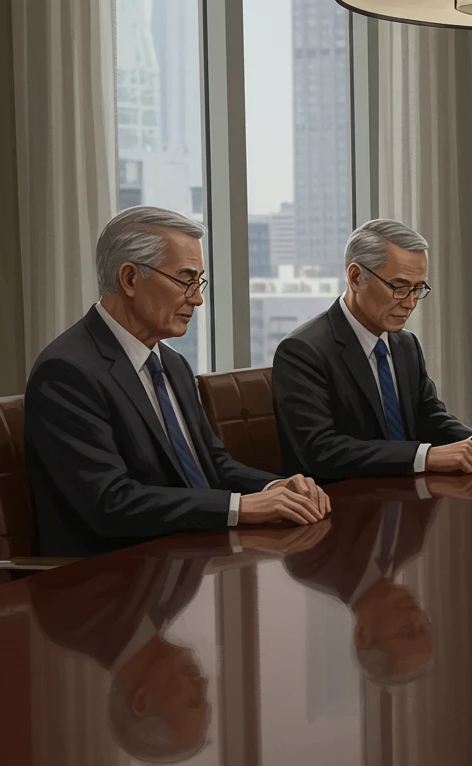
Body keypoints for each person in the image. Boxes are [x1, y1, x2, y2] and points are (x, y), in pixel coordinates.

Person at [25, 206, 330, 556]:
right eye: (185, 280)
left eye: (198, 282)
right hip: (116, 577)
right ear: (130, 279)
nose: (197, 299)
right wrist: (241, 508)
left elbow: (212, 464)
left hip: (190, 557)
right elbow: (110, 503)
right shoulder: (67, 372)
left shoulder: (172, 363)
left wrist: (275, 486)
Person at [272, 218, 472, 481]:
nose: (410, 303)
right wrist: (425, 456)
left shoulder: (405, 344)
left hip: (408, 498)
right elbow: (321, 451)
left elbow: (429, 416)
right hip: (340, 505)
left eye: (418, 288)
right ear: (355, 277)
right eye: (399, 287)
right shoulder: (302, 352)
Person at [29, 546, 226, 764]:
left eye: (192, 700)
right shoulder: (176, 600)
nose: (204, 683)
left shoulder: (72, 620)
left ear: (142, 701)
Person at [281, 484, 445, 685]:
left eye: (407, 631)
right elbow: (432, 480)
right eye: (423, 627)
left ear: (362, 635)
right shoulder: (413, 543)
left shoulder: (312, 563)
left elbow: (325, 478)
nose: (416, 617)